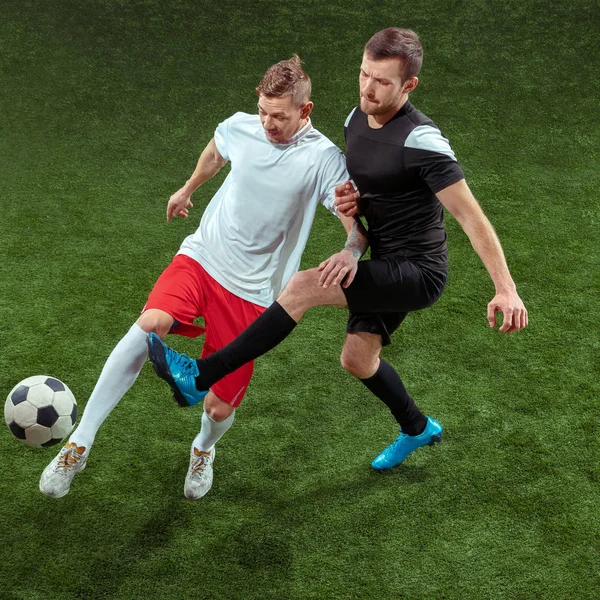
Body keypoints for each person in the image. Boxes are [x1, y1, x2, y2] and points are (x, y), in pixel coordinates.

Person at [147, 28, 528, 471]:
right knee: (357, 358)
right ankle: (417, 427)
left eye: (382, 81)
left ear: (409, 86)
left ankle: (200, 376)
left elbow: (469, 215)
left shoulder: (422, 140)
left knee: (303, 286)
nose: (368, 88)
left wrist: (506, 288)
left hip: (419, 271)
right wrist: (355, 206)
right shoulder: (355, 121)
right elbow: (378, 193)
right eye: (364, 74)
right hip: (383, 260)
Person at [39, 55, 355, 499]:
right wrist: (187, 189)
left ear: (306, 110)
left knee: (218, 404)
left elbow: (348, 210)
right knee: (149, 325)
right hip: (204, 257)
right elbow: (216, 151)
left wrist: (351, 247)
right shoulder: (243, 125)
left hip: (254, 292)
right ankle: (79, 444)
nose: (267, 123)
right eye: (263, 111)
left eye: (279, 116)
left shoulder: (323, 159)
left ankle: (203, 448)